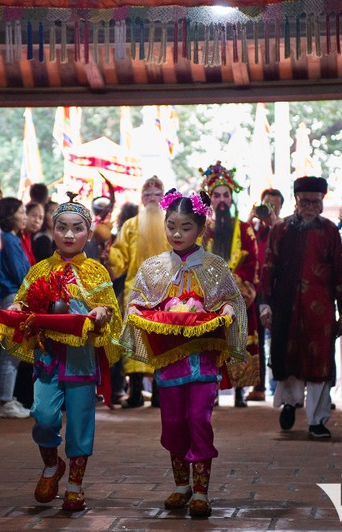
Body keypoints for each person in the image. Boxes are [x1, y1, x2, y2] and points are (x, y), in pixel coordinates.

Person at [123, 189, 246, 518]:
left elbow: (230, 300)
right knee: (173, 422)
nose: (176, 234)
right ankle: (181, 485)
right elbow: (137, 301)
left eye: (185, 227)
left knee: (198, 419)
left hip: (203, 358)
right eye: (171, 225)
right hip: (170, 358)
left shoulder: (214, 267)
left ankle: (201, 491)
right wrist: (135, 310)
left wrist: (228, 312)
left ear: (202, 228)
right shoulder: (154, 268)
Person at [0, 194, 123, 511]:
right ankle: (52, 465)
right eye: (62, 228)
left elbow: (113, 311)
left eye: (77, 228)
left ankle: (75, 485)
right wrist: (17, 306)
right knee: (43, 416)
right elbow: (24, 303)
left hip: (81, 361)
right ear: (52, 231)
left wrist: (103, 313)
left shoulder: (96, 272)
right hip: (48, 358)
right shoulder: (39, 270)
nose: (69, 235)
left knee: (80, 423)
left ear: (88, 234)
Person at [259, 177, 342, 439]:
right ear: (296, 202)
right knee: (287, 358)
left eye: (315, 201)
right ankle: (290, 403)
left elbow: (340, 274)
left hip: (320, 309)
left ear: (322, 203)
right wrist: (265, 305)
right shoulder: (281, 230)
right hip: (286, 305)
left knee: (320, 361)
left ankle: (318, 420)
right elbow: (268, 269)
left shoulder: (330, 232)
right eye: (305, 201)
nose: (310, 206)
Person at [106, 177, 171, 408]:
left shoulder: (171, 224)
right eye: (147, 195)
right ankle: (134, 391)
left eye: (157, 194)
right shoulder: (130, 226)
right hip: (136, 291)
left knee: (162, 339)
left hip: (166, 291)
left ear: (164, 198)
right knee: (134, 341)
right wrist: (108, 254)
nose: (152, 199)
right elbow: (120, 258)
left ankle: (159, 391)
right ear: (141, 199)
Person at [200, 162, 259, 407]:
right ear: (210, 199)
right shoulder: (203, 230)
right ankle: (212, 389)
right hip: (210, 295)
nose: (222, 200)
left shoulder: (245, 229)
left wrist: (236, 281)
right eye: (217, 196)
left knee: (239, 340)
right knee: (213, 343)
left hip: (238, 292)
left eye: (226, 195)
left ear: (231, 198)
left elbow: (253, 259)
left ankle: (240, 391)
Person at [0, 197, 33, 418]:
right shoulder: (9, 239)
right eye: (21, 211)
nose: (25, 216)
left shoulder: (11, 238)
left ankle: (7, 397)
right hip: (12, 298)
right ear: (9, 216)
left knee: (13, 352)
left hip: (12, 297)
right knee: (11, 352)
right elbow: (21, 273)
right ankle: (4, 400)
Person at [247, 188, 284, 401]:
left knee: (279, 338)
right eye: (265, 204)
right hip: (255, 289)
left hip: (276, 289)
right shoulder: (252, 228)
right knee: (256, 339)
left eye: (273, 206)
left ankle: (281, 385)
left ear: (280, 208)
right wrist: (250, 218)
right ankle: (258, 386)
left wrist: (272, 221)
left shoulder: (282, 227)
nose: (268, 209)